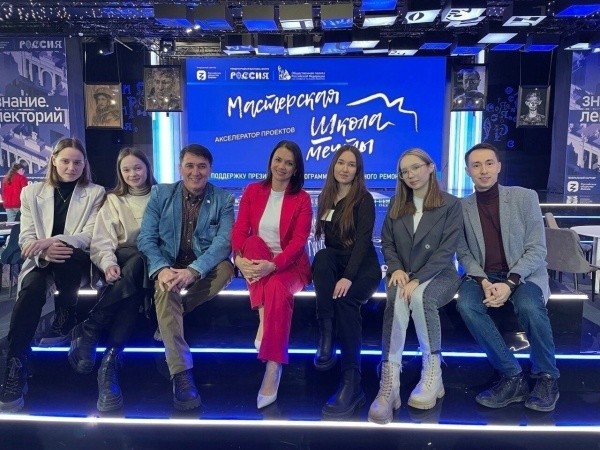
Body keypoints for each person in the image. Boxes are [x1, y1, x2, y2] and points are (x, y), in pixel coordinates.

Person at [0, 137, 105, 413]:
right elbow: (26, 238)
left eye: (77, 162)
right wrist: (44, 252)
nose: (71, 167)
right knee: (31, 290)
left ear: (85, 164)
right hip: (42, 260)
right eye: (66, 161)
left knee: (66, 252)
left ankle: (65, 313)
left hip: (76, 260)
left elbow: (88, 235)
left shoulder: (95, 192)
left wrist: (53, 241)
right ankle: (16, 363)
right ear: (53, 161)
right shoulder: (31, 193)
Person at [456, 142, 560, 412]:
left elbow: (537, 249)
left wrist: (510, 283)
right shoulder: (461, 207)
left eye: (489, 163)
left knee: (529, 306)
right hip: (483, 275)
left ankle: (547, 377)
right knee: (466, 305)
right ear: (467, 171)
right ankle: (512, 376)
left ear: (499, 166)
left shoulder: (524, 197)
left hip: (523, 273)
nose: (483, 170)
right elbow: (463, 252)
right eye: (476, 165)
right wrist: (483, 281)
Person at [368, 148, 462, 425]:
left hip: (440, 273)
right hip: (403, 273)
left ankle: (433, 374)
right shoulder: (397, 204)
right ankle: (390, 384)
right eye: (404, 171)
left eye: (416, 167)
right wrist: (396, 268)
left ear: (430, 167)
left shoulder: (451, 204)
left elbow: (446, 251)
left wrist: (419, 278)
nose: (410, 175)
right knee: (397, 297)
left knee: (421, 298)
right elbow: (387, 242)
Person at [137, 144, 234, 411]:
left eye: (202, 166)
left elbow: (223, 243)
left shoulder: (224, 200)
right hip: (168, 264)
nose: (195, 172)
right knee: (165, 289)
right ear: (180, 168)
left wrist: (193, 270)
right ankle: (181, 375)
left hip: (201, 267)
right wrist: (161, 268)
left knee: (227, 269)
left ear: (210, 169)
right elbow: (146, 238)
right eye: (190, 166)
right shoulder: (161, 194)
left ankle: (169, 318)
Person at [68, 147, 156, 412]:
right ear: (120, 172)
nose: (133, 174)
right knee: (136, 268)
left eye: (137, 168)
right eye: (126, 169)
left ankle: (91, 326)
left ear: (147, 168)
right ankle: (110, 362)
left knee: (141, 261)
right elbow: (102, 241)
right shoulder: (113, 200)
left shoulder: (162, 195)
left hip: (152, 261)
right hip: (121, 261)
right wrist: (108, 265)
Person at [231, 140, 312, 409]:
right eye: (278, 160)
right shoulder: (253, 190)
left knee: (277, 285)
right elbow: (240, 230)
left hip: (291, 266)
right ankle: (265, 318)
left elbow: (298, 242)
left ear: (296, 169)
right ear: (270, 161)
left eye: (289, 163)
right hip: (258, 260)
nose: (282, 166)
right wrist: (238, 258)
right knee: (252, 243)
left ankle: (273, 366)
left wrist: (274, 265)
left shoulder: (301, 198)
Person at [312, 145, 381, 419]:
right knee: (322, 257)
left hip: (363, 268)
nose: (345, 169)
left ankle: (352, 382)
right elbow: (328, 243)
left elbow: (363, 242)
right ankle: (326, 335)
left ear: (357, 170)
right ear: (333, 166)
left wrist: (348, 277)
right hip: (337, 262)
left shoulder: (364, 199)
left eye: (351, 165)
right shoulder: (326, 196)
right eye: (341, 163)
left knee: (345, 301)